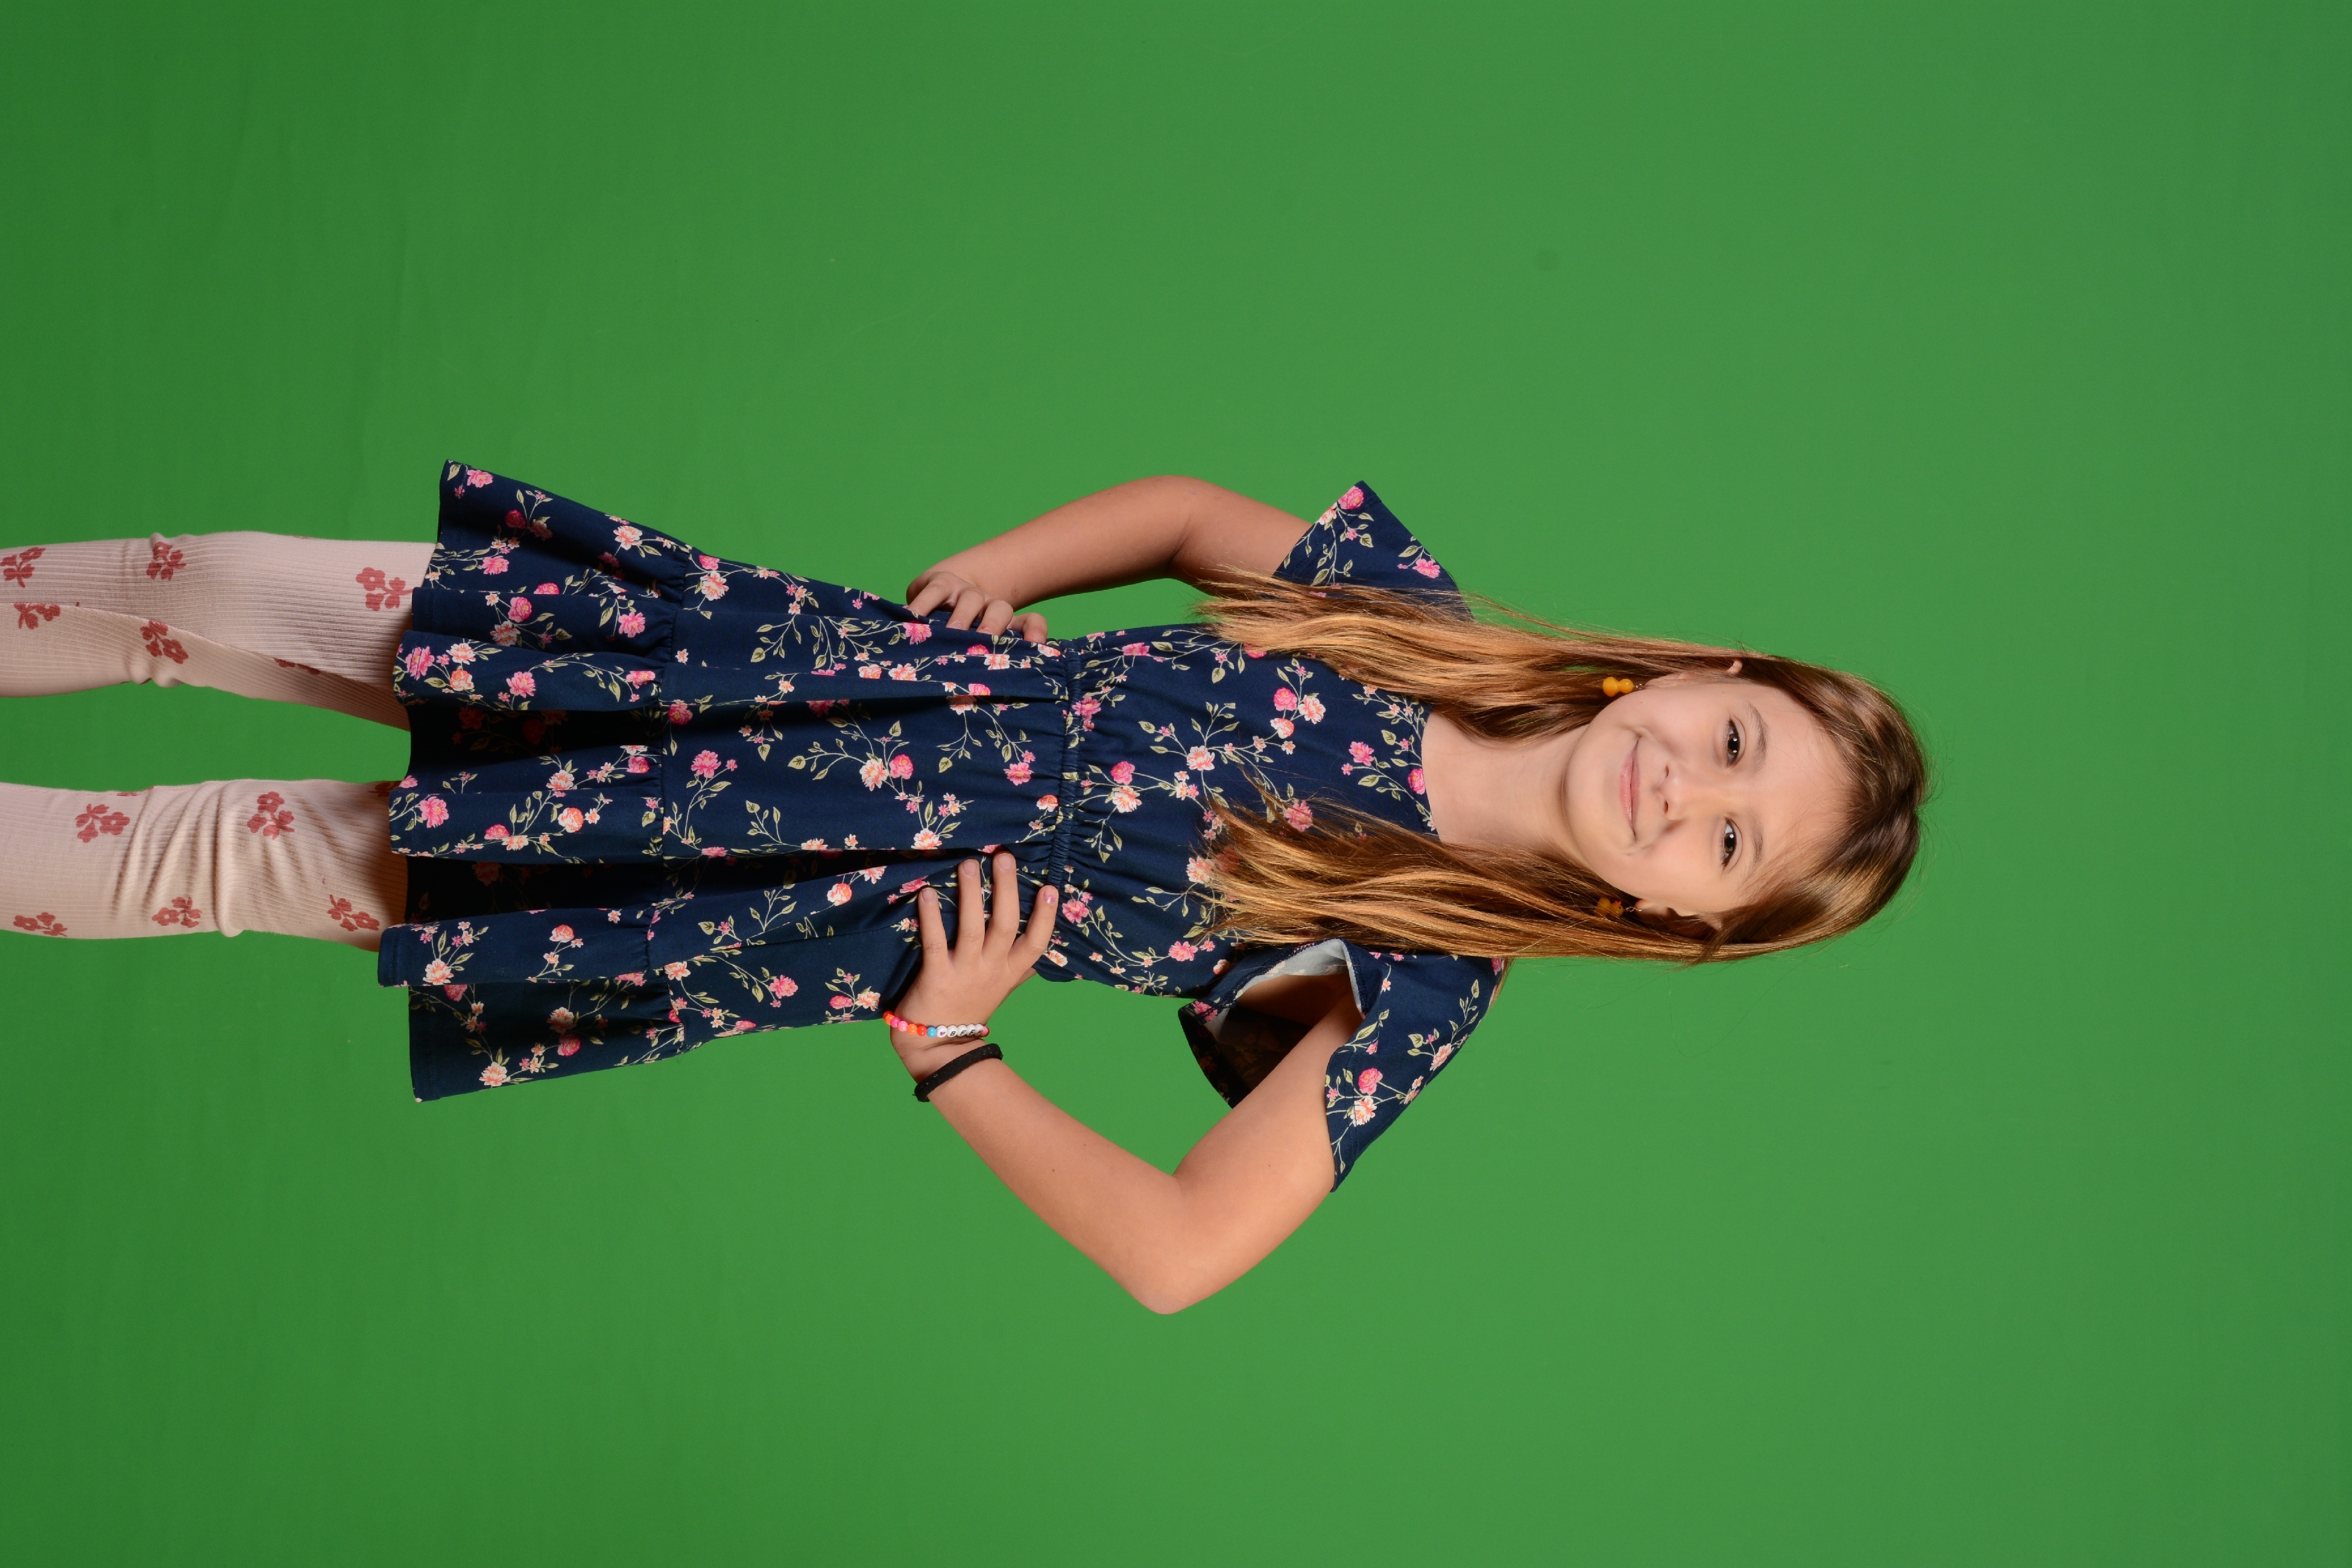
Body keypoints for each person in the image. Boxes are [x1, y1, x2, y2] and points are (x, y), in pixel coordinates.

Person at [0, 466, 1927, 1310]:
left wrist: (951, 1047)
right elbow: (1186, 513)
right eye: (1730, 740)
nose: (1685, 790)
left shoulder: (1409, 983)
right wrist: (1006, 569)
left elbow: (1179, 1253)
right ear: (1701, 673)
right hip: (755, 669)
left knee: (206, 850)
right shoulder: (1400, 620)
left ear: (1689, 921)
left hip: (741, 880)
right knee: (214, 586)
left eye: (1725, 843)